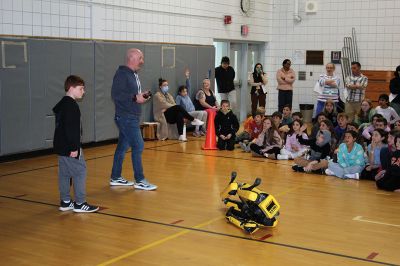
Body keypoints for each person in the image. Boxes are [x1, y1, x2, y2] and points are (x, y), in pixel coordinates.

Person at [109, 48, 157, 190]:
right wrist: (134, 97)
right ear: (132, 58)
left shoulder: (133, 74)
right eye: (140, 58)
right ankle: (140, 179)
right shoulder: (122, 74)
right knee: (138, 145)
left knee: (123, 147)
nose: (142, 61)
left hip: (131, 116)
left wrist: (140, 95)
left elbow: (131, 95)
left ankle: (115, 177)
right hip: (126, 117)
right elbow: (115, 95)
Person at [53, 75, 99, 213]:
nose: (83, 91)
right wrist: (74, 147)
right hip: (70, 146)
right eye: (81, 88)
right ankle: (80, 203)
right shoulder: (72, 106)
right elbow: (71, 129)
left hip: (61, 146)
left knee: (65, 173)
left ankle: (66, 201)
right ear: (72, 88)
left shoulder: (62, 104)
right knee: (80, 171)